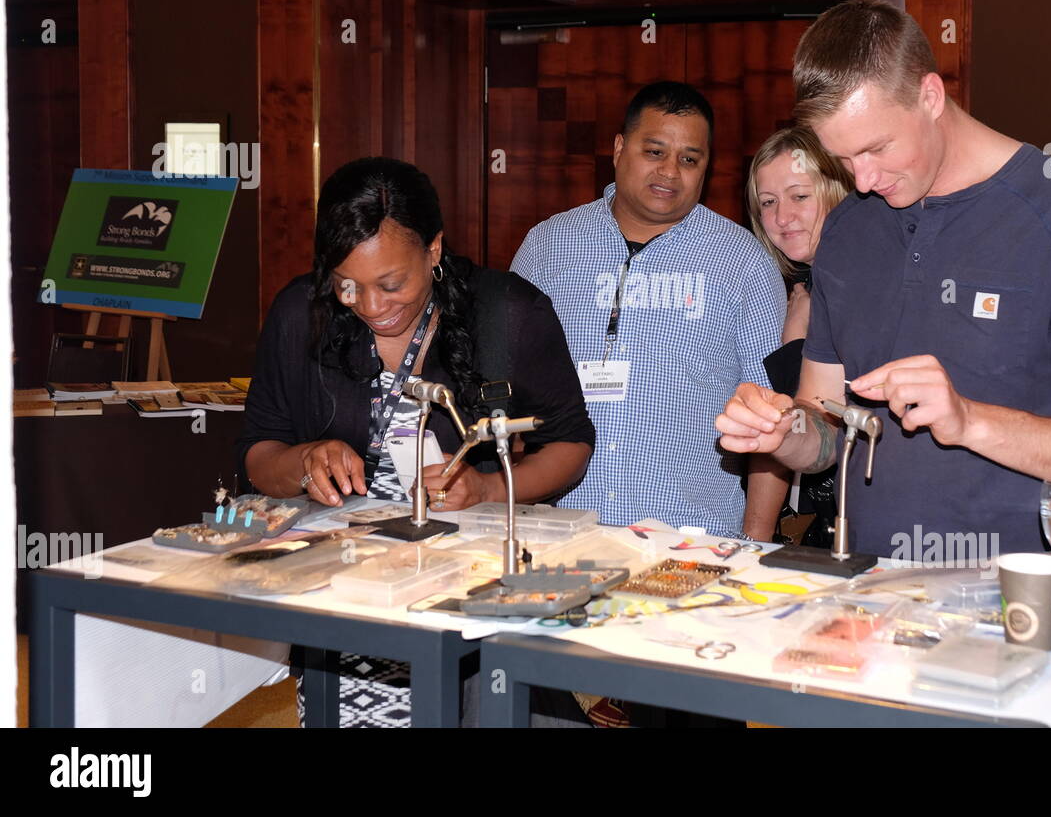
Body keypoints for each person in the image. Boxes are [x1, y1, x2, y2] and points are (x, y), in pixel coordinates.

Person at [716, 0, 1051, 561]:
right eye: (843, 160)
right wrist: (785, 434)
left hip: (1014, 603)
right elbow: (829, 424)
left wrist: (970, 420)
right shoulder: (849, 231)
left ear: (930, 96)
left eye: (877, 148)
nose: (862, 180)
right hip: (869, 596)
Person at [237, 155, 594, 726]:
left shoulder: (507, 314)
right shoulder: (300, 315)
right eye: (347, 285)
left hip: (471, 601)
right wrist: (304, 461)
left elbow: (571, 443)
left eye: (391, 283)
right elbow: (259, 453)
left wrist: (483, 488)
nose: (372, 308)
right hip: (342, 601)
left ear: (434, 250)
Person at [511, 81, 787, 540]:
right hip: (559, 530)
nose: (670, 172)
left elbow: (771, 419)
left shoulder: (744, 263)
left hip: (692, 536)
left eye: (689, 159)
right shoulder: (547, 247)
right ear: (620, 148)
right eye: (655, 151)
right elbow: (505, 389)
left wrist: (753, 545)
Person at [745, 126, 854, 547]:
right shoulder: (804, 290)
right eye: (768, 202)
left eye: (799, 196)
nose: (781, 217)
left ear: (837, 189)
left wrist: (793, 344)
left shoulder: (863, 284)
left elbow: (819, 419)